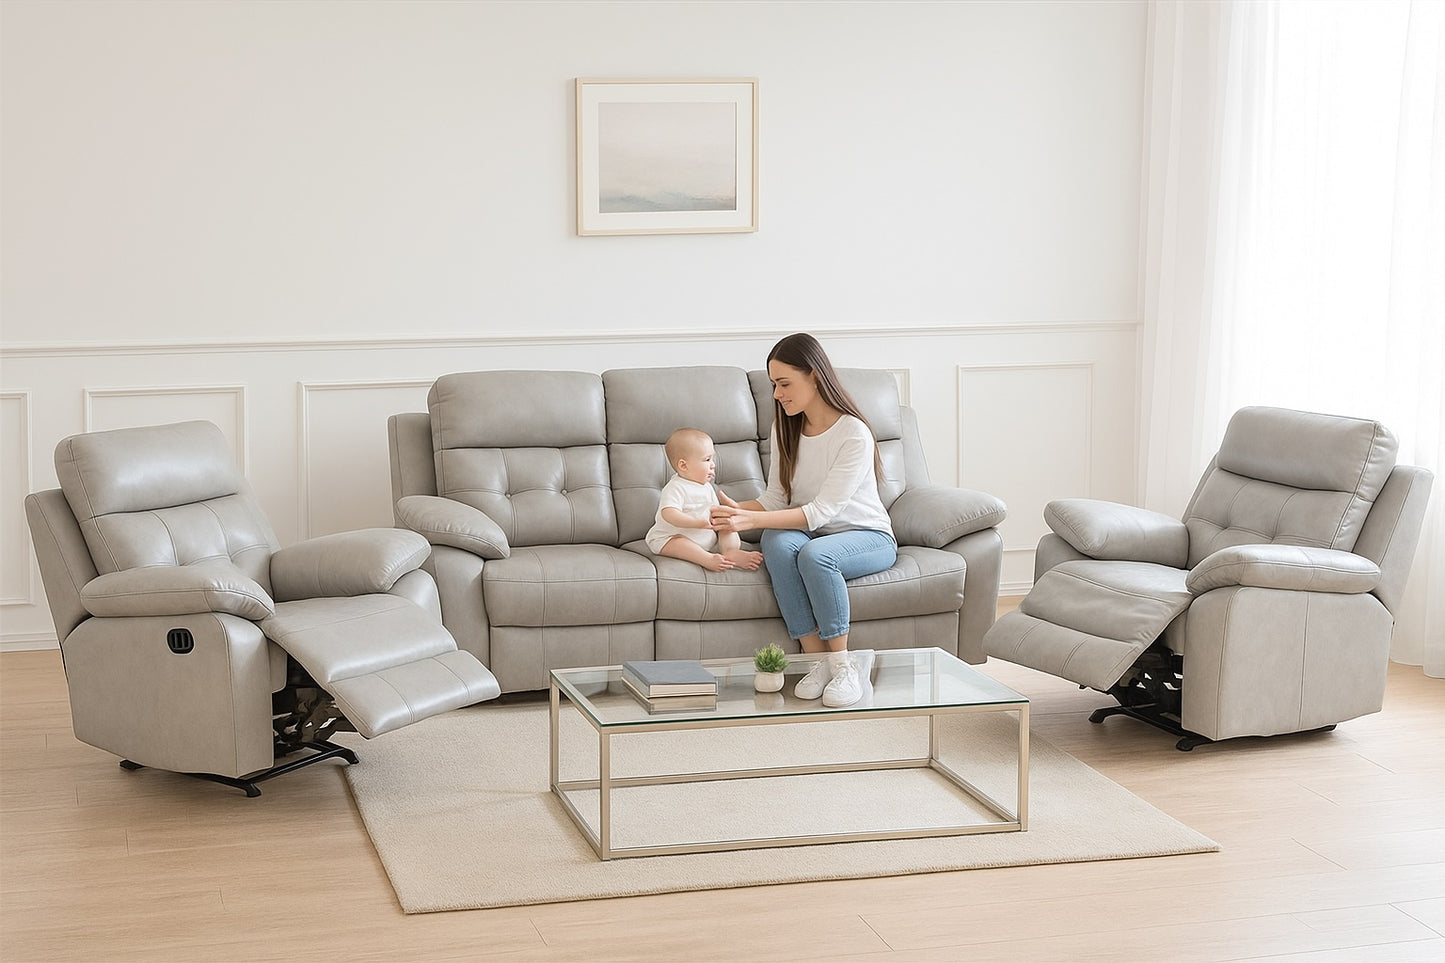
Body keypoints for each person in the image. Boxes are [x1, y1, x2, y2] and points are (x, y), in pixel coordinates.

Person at [710, 333, 896, 707]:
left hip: (867, 536)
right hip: (815, 532)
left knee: (815, 555)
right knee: (777, 542)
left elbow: (823, 510)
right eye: (773, 385)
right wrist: (735, 513)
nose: (777, 394)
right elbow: (776, 499)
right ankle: (818, 661)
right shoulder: (787, 428)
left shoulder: (853, 433)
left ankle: (844, 665)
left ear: (814, 375)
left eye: (784, 383)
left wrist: (749, 519)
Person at [646, 427, 764, 573]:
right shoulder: (676, 487)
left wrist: (724, 515)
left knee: (727, 525)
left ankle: (731, 551)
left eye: (712, 458)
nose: (713, 464)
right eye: (707, 460)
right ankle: (706, 559)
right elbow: (669, 513)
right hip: (669, 538)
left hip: (704, 536)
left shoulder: (706, 487)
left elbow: (713, 512)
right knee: (679, 543)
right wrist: (696, 523)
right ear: (684, 465)